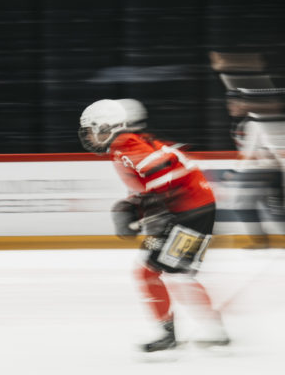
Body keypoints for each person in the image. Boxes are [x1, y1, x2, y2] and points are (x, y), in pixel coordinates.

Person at [79, 98, 230, 352]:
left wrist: (139, 208)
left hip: (188, 213)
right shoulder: (127, 144)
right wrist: (137, 206)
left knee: (150, 272)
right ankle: (214, 330)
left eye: (90, 130)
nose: (88, 137)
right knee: (177, 274)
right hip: (194, 210)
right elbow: (158, 180)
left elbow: (161, 175)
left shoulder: (124, 144)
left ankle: (171, 335)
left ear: (105, 127)